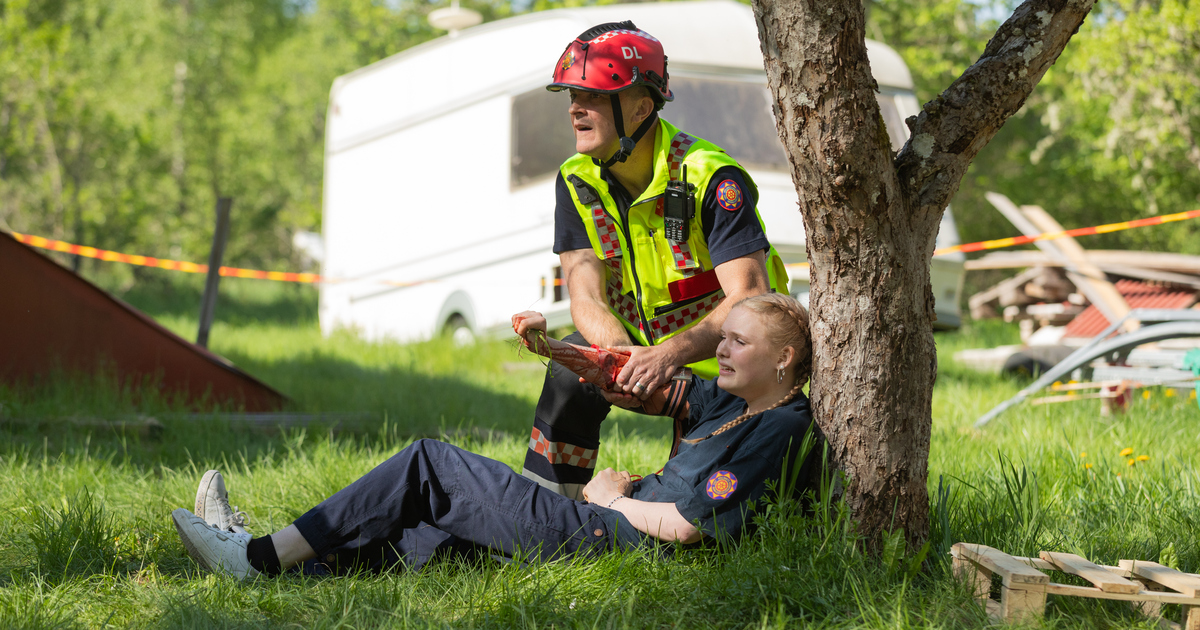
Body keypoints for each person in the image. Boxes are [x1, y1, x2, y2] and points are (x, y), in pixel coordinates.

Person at [171, 294, 817, 578]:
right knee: (422, 532)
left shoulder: (780, 427)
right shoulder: (731, 401)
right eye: (723, 336)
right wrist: (553, 346)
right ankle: (263, 553)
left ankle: (251, 560)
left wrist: (610, 497)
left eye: (738, 341)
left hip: (610, 535)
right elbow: (624, 379)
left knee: (429, 464)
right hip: (602, 523)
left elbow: (687, 527)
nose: (718, 348)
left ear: (784, 359)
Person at [524, 20, 793, 499]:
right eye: (570, 96)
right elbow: (584, 292)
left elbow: (750, 296)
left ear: (642, 107)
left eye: (591, 96)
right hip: (646, 356)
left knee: (680, 512)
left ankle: (632, 498)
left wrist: (666, 357)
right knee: (569, 374)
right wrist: (617, 360)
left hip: (731, 373)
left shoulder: (711, 176)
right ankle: (544, 510)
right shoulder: (574, 179)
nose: (575, 110)